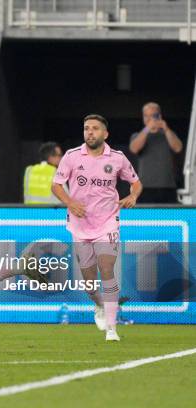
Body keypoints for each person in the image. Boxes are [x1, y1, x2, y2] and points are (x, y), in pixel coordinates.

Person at [51, 114, 142, 342]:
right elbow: (56, 185)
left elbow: (136, 182)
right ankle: (99, 305)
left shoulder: (118, 158)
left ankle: (112, 328)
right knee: (90, 283)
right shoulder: (72, 157)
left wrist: (133, 195)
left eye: (94, 129)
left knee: (107, 268)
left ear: (105, 134)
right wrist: (71, 202)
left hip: (108, 222)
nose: (89, 132)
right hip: (81, 225)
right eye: (86, 128)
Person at [128, 102, 183, 203]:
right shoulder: (137, 135)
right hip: (144, 187)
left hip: (167, 186)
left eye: (153, 115)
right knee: (146, 218)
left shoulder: (169, 134)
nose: (150, 119)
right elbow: (134, 148)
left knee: (169, 218)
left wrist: (165, 128)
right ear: (143, 118)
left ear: (159, 116)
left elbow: (178, 148)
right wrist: (148, 128)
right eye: (146, 116)